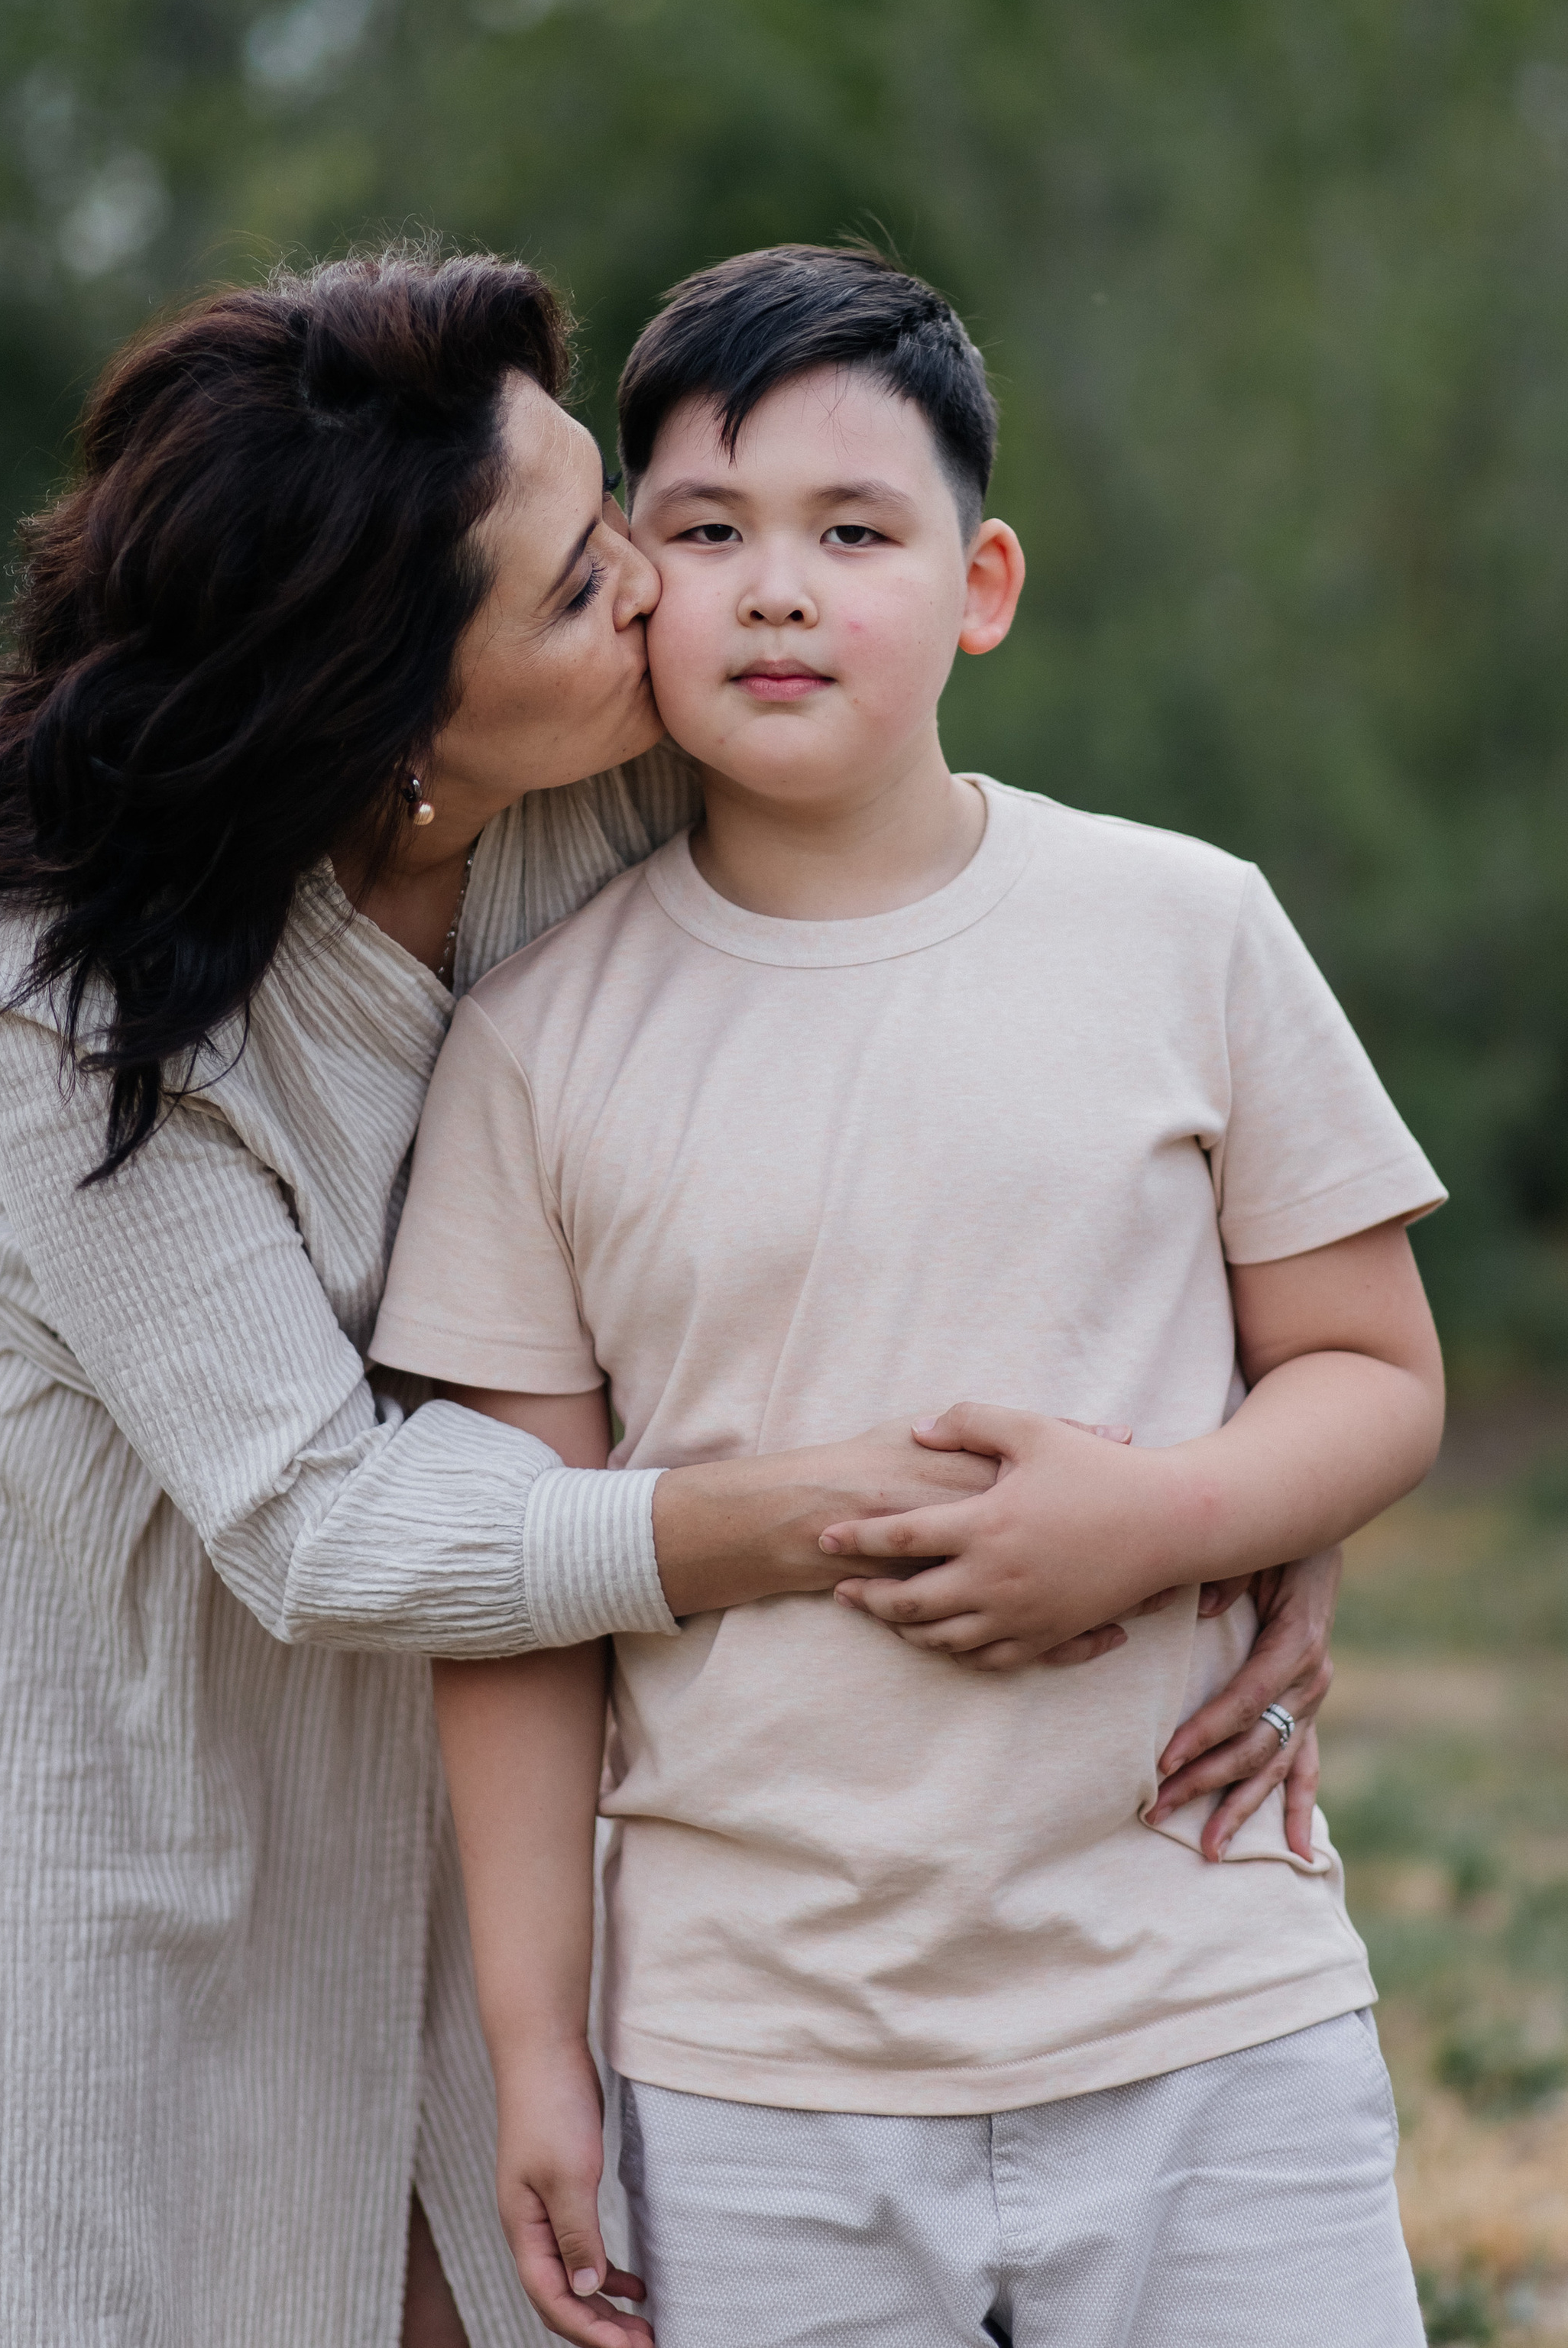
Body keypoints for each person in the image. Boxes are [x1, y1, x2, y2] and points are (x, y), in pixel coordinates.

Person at [0, 249, 1341, 2348]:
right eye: (583, 589)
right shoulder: (56, 986)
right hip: (22, 1532)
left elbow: (956, 1087)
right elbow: (316, 1525)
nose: (664, 597)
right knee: (29, 2194)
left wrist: (1245, 1502)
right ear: (387, 712)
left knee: (449, 2179)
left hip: (472, 1524)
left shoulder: (619, 773)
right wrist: (830, 1515)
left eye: (612, 523)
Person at [374, 244, 1446, 2348]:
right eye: (706, 530)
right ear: (631, 582)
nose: (778, 588)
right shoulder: (530, 1041)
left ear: (984, 585)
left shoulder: (1182, 927)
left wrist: (1168, 1517)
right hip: (755, 2064)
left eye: (854, 532)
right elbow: (516, 1588)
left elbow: (1373, 1368)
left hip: (1205, 2004)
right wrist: (534, 2048)